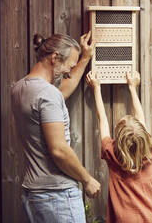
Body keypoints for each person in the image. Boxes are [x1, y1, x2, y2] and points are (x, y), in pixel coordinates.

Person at [11, 31, 100, 223]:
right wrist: (87, 179)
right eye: (69, 65)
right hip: (57, 196)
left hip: (33, 195)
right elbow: (59, 150)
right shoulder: (48, 95)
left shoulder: (20, 88)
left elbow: (60, 94)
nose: (69, 71)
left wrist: (84, 59)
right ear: (54, 57)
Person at [86, 70, 152, 223]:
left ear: (119, 140)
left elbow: (102, 119)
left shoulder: (111, 153)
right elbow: (140, 118)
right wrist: (132, 88)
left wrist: (96, 89)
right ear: (143, 137)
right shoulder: (149, 150)